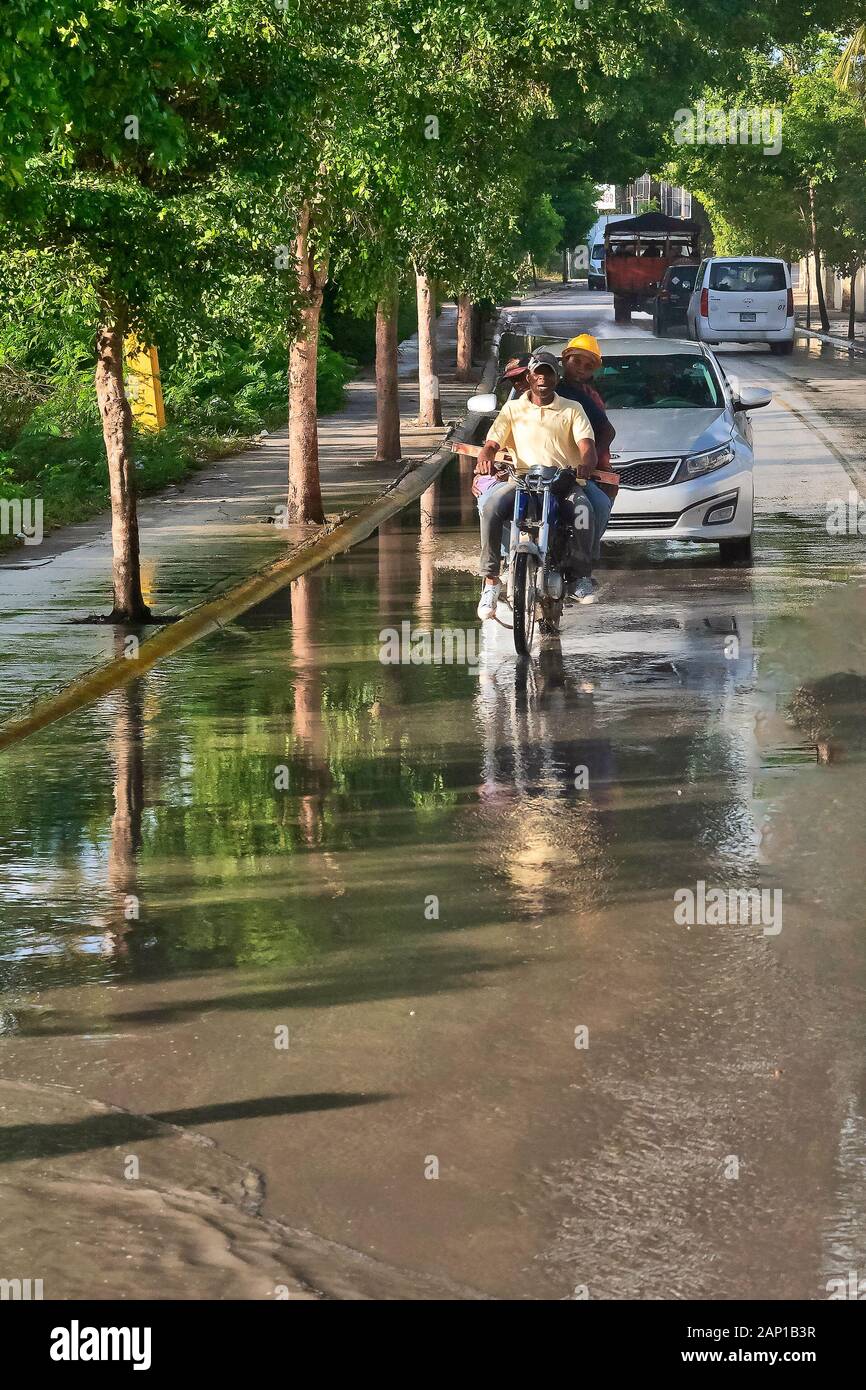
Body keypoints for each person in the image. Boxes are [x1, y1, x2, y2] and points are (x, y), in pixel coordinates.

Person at [474, 350, 598, 619]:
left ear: (556, 378)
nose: (543, 378)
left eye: (548, 373)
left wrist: (587, 461)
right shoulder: (512, 408)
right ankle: (491, 583)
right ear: (529, 377)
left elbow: (586, 444)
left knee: (583, 511)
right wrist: (485, 455)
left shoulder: (572, 408)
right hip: (521, 480)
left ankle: (580, 578)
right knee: (491, 507)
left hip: (561, 481)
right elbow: (493, 442)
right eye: (538, 373)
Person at [558, 334, 617, 565]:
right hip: (536, 469)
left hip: (576, 473)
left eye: (588, 365)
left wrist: (589, 462)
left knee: (599, 507)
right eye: (576, 361)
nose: (581, 369)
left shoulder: (586, 398)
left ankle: (584, 566)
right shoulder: (540, 391)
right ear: (564, 360)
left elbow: (606, 430)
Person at [473, 355, 530, 513]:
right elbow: (493, 446)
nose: (518, 384)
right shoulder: (510, 410)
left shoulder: (564, 407)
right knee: (487, 502)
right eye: (514, 380)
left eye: (522, 377)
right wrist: (485, 470)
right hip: (518, 479)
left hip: (554, 478)